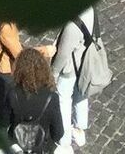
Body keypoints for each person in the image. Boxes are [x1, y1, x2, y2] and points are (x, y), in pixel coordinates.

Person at [0, 46, 64, 152]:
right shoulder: (52, 97)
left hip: (17, 147)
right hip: (42, 148)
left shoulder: (12, 94)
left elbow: (3, 122)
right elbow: (58, 133)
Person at [50, 12, 96, 154]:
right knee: (81, 94)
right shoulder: (90, 10)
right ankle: (80, 129)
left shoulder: (72, 25)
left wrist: (54, 73)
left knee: (63, 100)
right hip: (85, 63)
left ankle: (64, 140)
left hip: (70, 68)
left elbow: (63, 53)